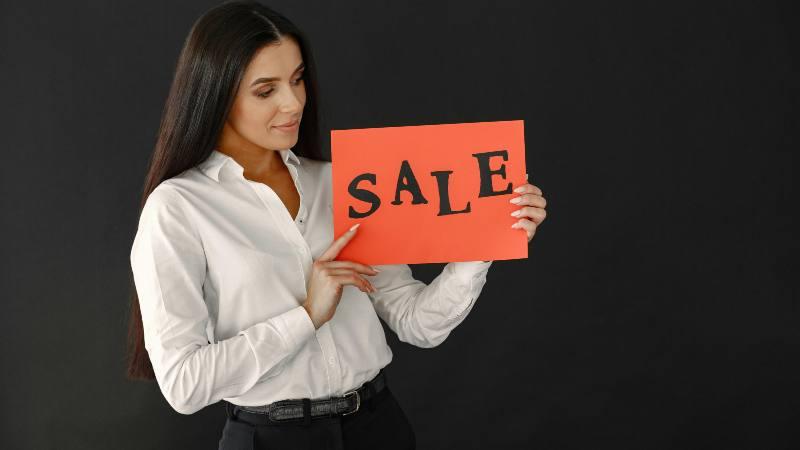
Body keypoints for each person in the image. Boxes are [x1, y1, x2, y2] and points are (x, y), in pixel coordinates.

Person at [126, 1, 547, 449]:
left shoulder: (343, 183)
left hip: (378, 428)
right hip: (270, 440)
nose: (293, 102)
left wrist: (483, 241)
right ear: (216, 94)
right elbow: (184, 385)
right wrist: (307, 316)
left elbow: (415, 322)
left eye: (297, 78)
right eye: (266, 90)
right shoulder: (179, 208)